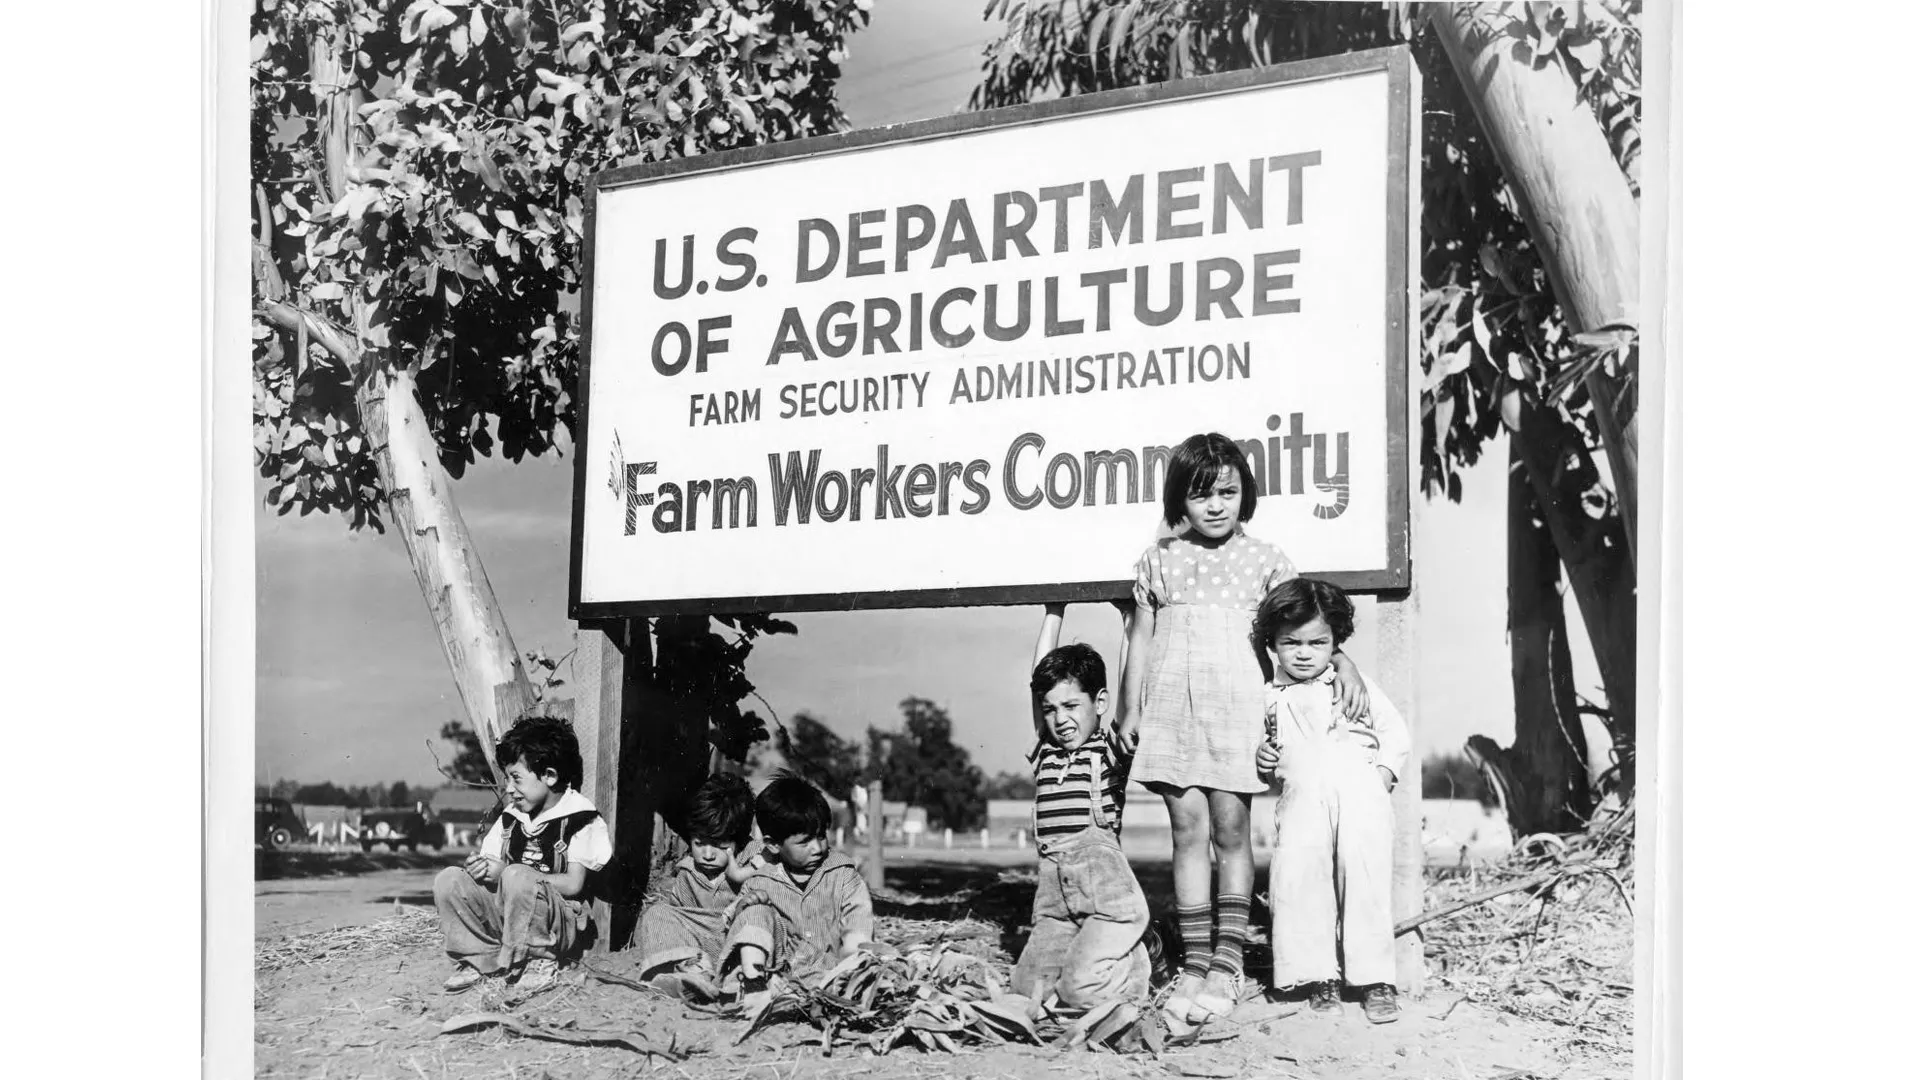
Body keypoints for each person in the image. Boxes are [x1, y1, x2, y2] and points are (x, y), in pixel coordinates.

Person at [1115, 432, 1369, 1023]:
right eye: (1202, 494)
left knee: (1232, 831)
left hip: (1239, 712)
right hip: (1175, 711)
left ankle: (1227, 965)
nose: (1215, 505)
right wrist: (1131, 710)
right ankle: (1195, 963)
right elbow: (1141, 639)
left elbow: (1306, 625)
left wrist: (1346, 661)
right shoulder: (1159, 560)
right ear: (1181, 497)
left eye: (1227, 492)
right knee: (1186, 833)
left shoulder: (1266, 561)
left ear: (1244, 494)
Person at [1254, 578, 1409, 1024]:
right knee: (1302, 878)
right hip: (1302, 800)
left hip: (1360, 795)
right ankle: (1317, 974)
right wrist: (1262, 758)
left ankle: (1375, 978)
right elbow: (1265, 757)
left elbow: (1394, 733)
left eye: (1318, 642)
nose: (1305, 652)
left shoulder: (1351, 684)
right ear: (1273, 644)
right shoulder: (1268, 696)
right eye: (1291, 642)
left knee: (1364, 878)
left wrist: (1378, 779)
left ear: (1335, 642)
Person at [1010, 605, 1153, 1013]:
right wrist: (1054, 610)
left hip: (1108, 901)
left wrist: (1130, 623)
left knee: (1079, 990)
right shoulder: (1045, 753)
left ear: (1099, 702)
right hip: (1055, 901)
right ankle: (1083, 965)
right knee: (1026, 990)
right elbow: (1036, 680)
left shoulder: (1108, 749)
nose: (1060, 719)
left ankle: (1137, 962)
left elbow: (1130, 690)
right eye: (1051, 709)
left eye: (1072, 706)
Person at [433, 715, 612, 994]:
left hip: (553, 924)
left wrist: (516, 875)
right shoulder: (511, 817)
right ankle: (480, 957)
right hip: (509, 919)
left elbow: (574, 883)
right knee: (449, 879)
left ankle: (538, 959)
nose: (509, 789)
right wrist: (482, 869)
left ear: (549, 776)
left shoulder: (579, 817)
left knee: (517, 875)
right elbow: (497, 866)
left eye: (516, 778)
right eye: (507, 779)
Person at [723, 775, 873, 984]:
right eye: (804, 842)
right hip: (776, 978)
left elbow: (858, 926)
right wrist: (744, 908)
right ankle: (752, 986)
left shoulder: (843, 875)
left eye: (821, 836)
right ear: (773, 845)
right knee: (755, 910)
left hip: (832, 978)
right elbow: (734, 924)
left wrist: (851, 970)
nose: (818, 848)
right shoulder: (761, 879)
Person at [634, 772, 759, 993]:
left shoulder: (755, 861)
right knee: (656, 914)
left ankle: (741, 979)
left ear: (739, 838)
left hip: (742, 945)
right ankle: (694, 976)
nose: (708, 854)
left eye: (720, 845)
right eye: (699, 843)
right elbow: (681, 918)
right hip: (705, 948)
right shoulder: (688, 872)